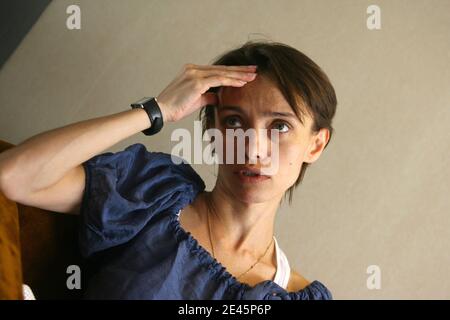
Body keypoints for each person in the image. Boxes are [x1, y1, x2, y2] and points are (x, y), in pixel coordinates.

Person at [0, 40, 337, 300]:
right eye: (234, 122)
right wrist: (155, 110)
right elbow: (13, 176)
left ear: (316, 144)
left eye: (279, 126)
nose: (253, 147)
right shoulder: (152, 194)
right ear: (213, 131)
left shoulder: (296, 294)